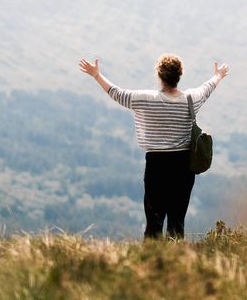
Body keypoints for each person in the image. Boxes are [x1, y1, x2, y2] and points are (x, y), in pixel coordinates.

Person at [79, 53, 229, 239]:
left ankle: (151, 262)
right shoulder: (191, 99)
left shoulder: (146, 99)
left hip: (156, 165)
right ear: (179, 75)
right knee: (177, 222)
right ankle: (177, 263)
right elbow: (207, 88)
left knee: (154, 222)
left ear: (159, 76)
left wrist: (96, 75)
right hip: (184, 166)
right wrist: (219, 75)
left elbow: (116, 93)